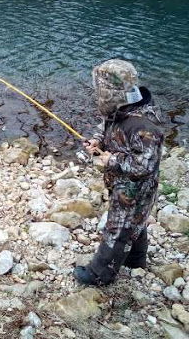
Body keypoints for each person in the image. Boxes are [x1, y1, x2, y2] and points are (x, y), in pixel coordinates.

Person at [74, 59, 164, 286]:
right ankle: (135, 260)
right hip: (122, 184)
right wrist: (96, 141)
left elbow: (145, 165)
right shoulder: (120, 109)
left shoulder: (145, 126)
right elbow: (106, 126)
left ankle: (99, 274)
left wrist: (111, 159)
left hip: (135, 190)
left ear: (109, 91)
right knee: (136, 223)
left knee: (117, 228)